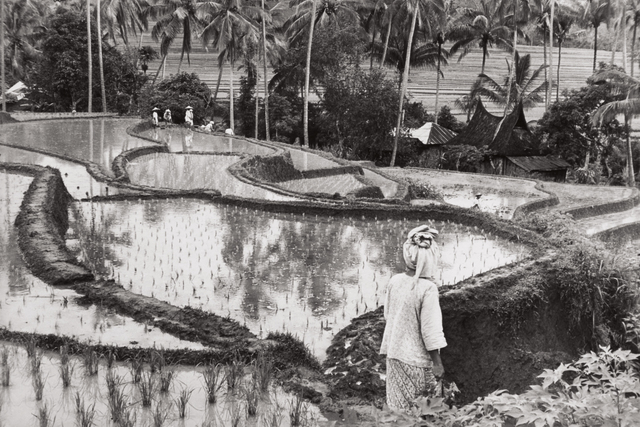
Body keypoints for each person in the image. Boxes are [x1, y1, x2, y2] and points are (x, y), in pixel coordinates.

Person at [380, 225, 446, 412]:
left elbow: (388, 316)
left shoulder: (395, 281)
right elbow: (430, 331)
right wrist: (437, 363)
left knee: (398, 411)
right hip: (417, 363)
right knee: (424, 412)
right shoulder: (427, 289)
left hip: (394, 356)